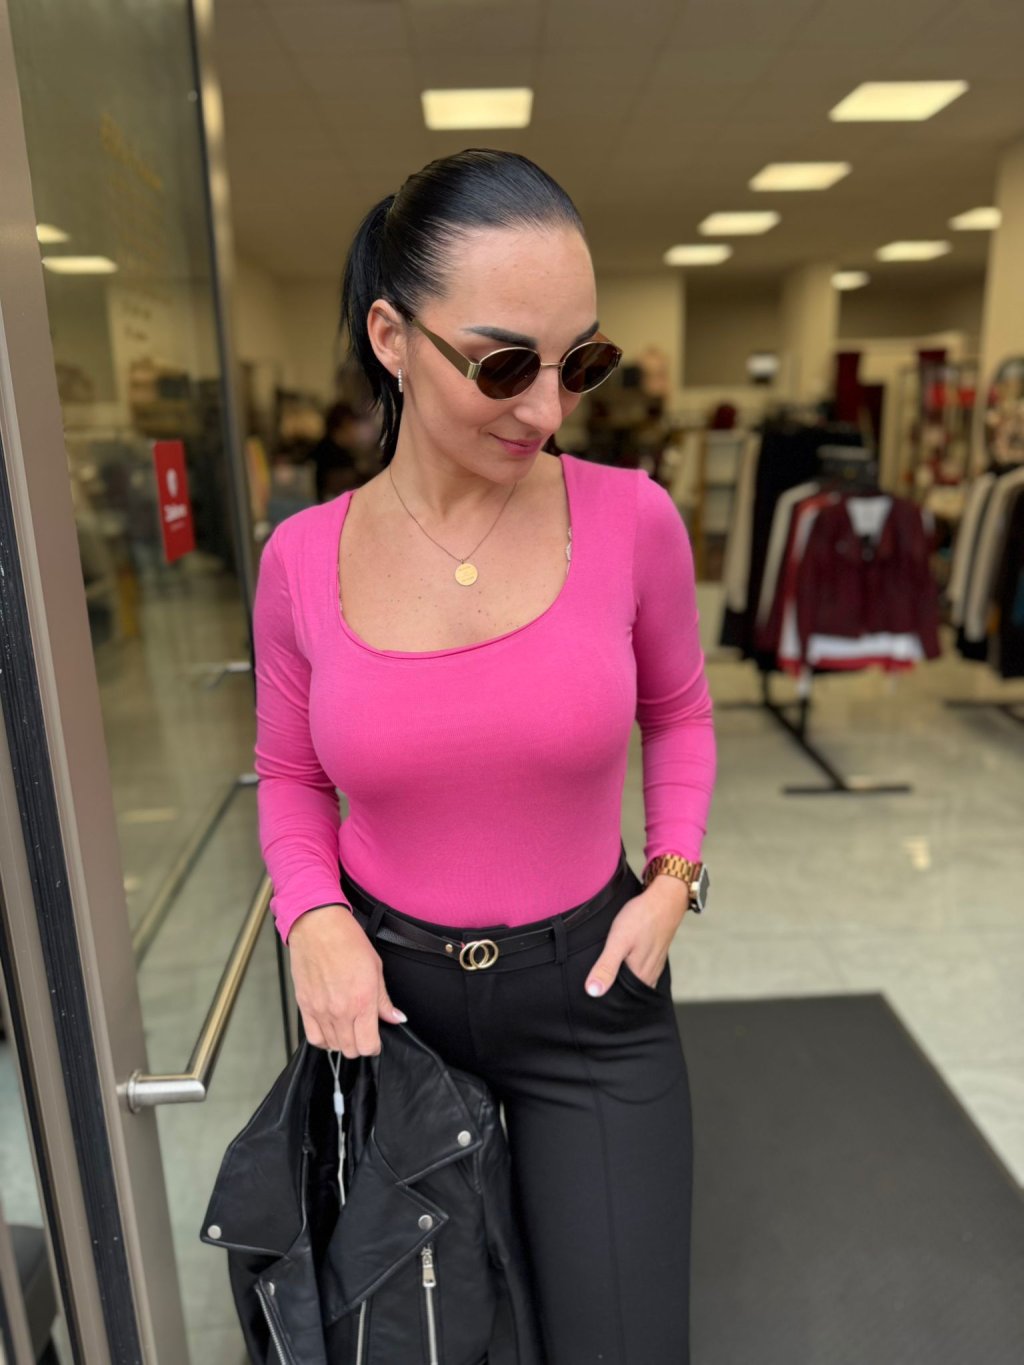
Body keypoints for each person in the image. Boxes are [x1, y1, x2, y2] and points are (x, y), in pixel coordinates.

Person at [251, 148, 717, 1364]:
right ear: (392, 339)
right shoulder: (301, 559)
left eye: (580, 363)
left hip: (592, 998)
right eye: (504, 365)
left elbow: (678, 712)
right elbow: (290, 775)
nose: (547, 410)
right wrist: (311, 917)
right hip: (390, 1009)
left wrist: (672, 878)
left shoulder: (631, 520)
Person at [307, 401, 363, 501]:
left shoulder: (343, 452)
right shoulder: (326, 452)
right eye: (354, 426)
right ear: (345, 424)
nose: (356, 432)